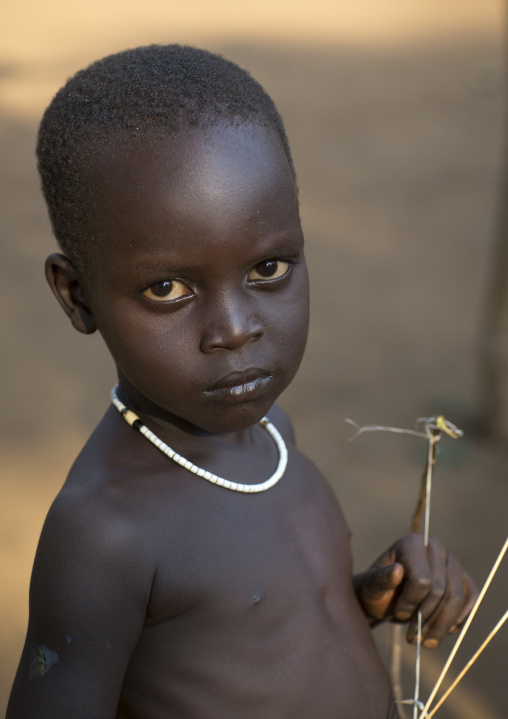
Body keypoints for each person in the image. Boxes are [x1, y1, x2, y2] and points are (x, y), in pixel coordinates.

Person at [7, 45, 476, 719]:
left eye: (268, 269)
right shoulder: (105, 532)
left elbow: (239, 639)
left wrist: (364, 600)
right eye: (166, 287)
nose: (234, 330)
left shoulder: (271, 434)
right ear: (79, 296)